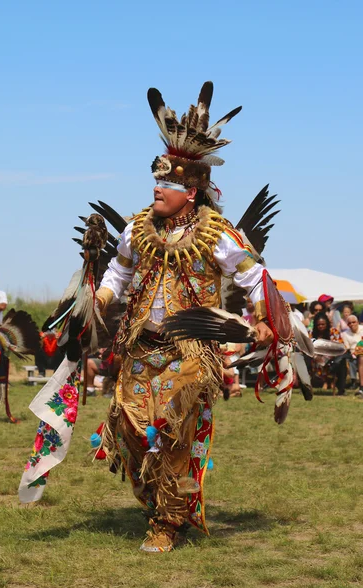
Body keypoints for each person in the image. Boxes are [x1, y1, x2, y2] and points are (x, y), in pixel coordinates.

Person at [89, 82, 277, 552]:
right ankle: (157, 502)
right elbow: (118, 268)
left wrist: (262, 316)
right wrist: (104, 297)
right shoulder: (138, 229)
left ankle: (167, 524)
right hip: (139, 345)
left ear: (190, 192)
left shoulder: (216, 234)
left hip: (189, 350)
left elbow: (254, 275)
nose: (157, 188)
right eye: (156, 181)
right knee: (132, 432)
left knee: (172, 432)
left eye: (167, 183)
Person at [309, 312, 346, 395]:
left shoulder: (334, 332)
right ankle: (305, 387)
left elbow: (339, 347)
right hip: (315, 362)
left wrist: (326, 357)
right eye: (318, 325)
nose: (321, 326)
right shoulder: (311, 334)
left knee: (342, 361)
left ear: (327, 324)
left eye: (323, 324)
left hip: (331, 361)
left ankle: (341, 390)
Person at [341, 315, 363, 394]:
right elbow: (347, 348)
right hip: (353, 353)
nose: (352, 324)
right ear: (347, 325)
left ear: (357, 322)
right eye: (349, 323)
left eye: (354, 322)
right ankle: (357, 383)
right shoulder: (345, 334)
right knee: (355, 359)